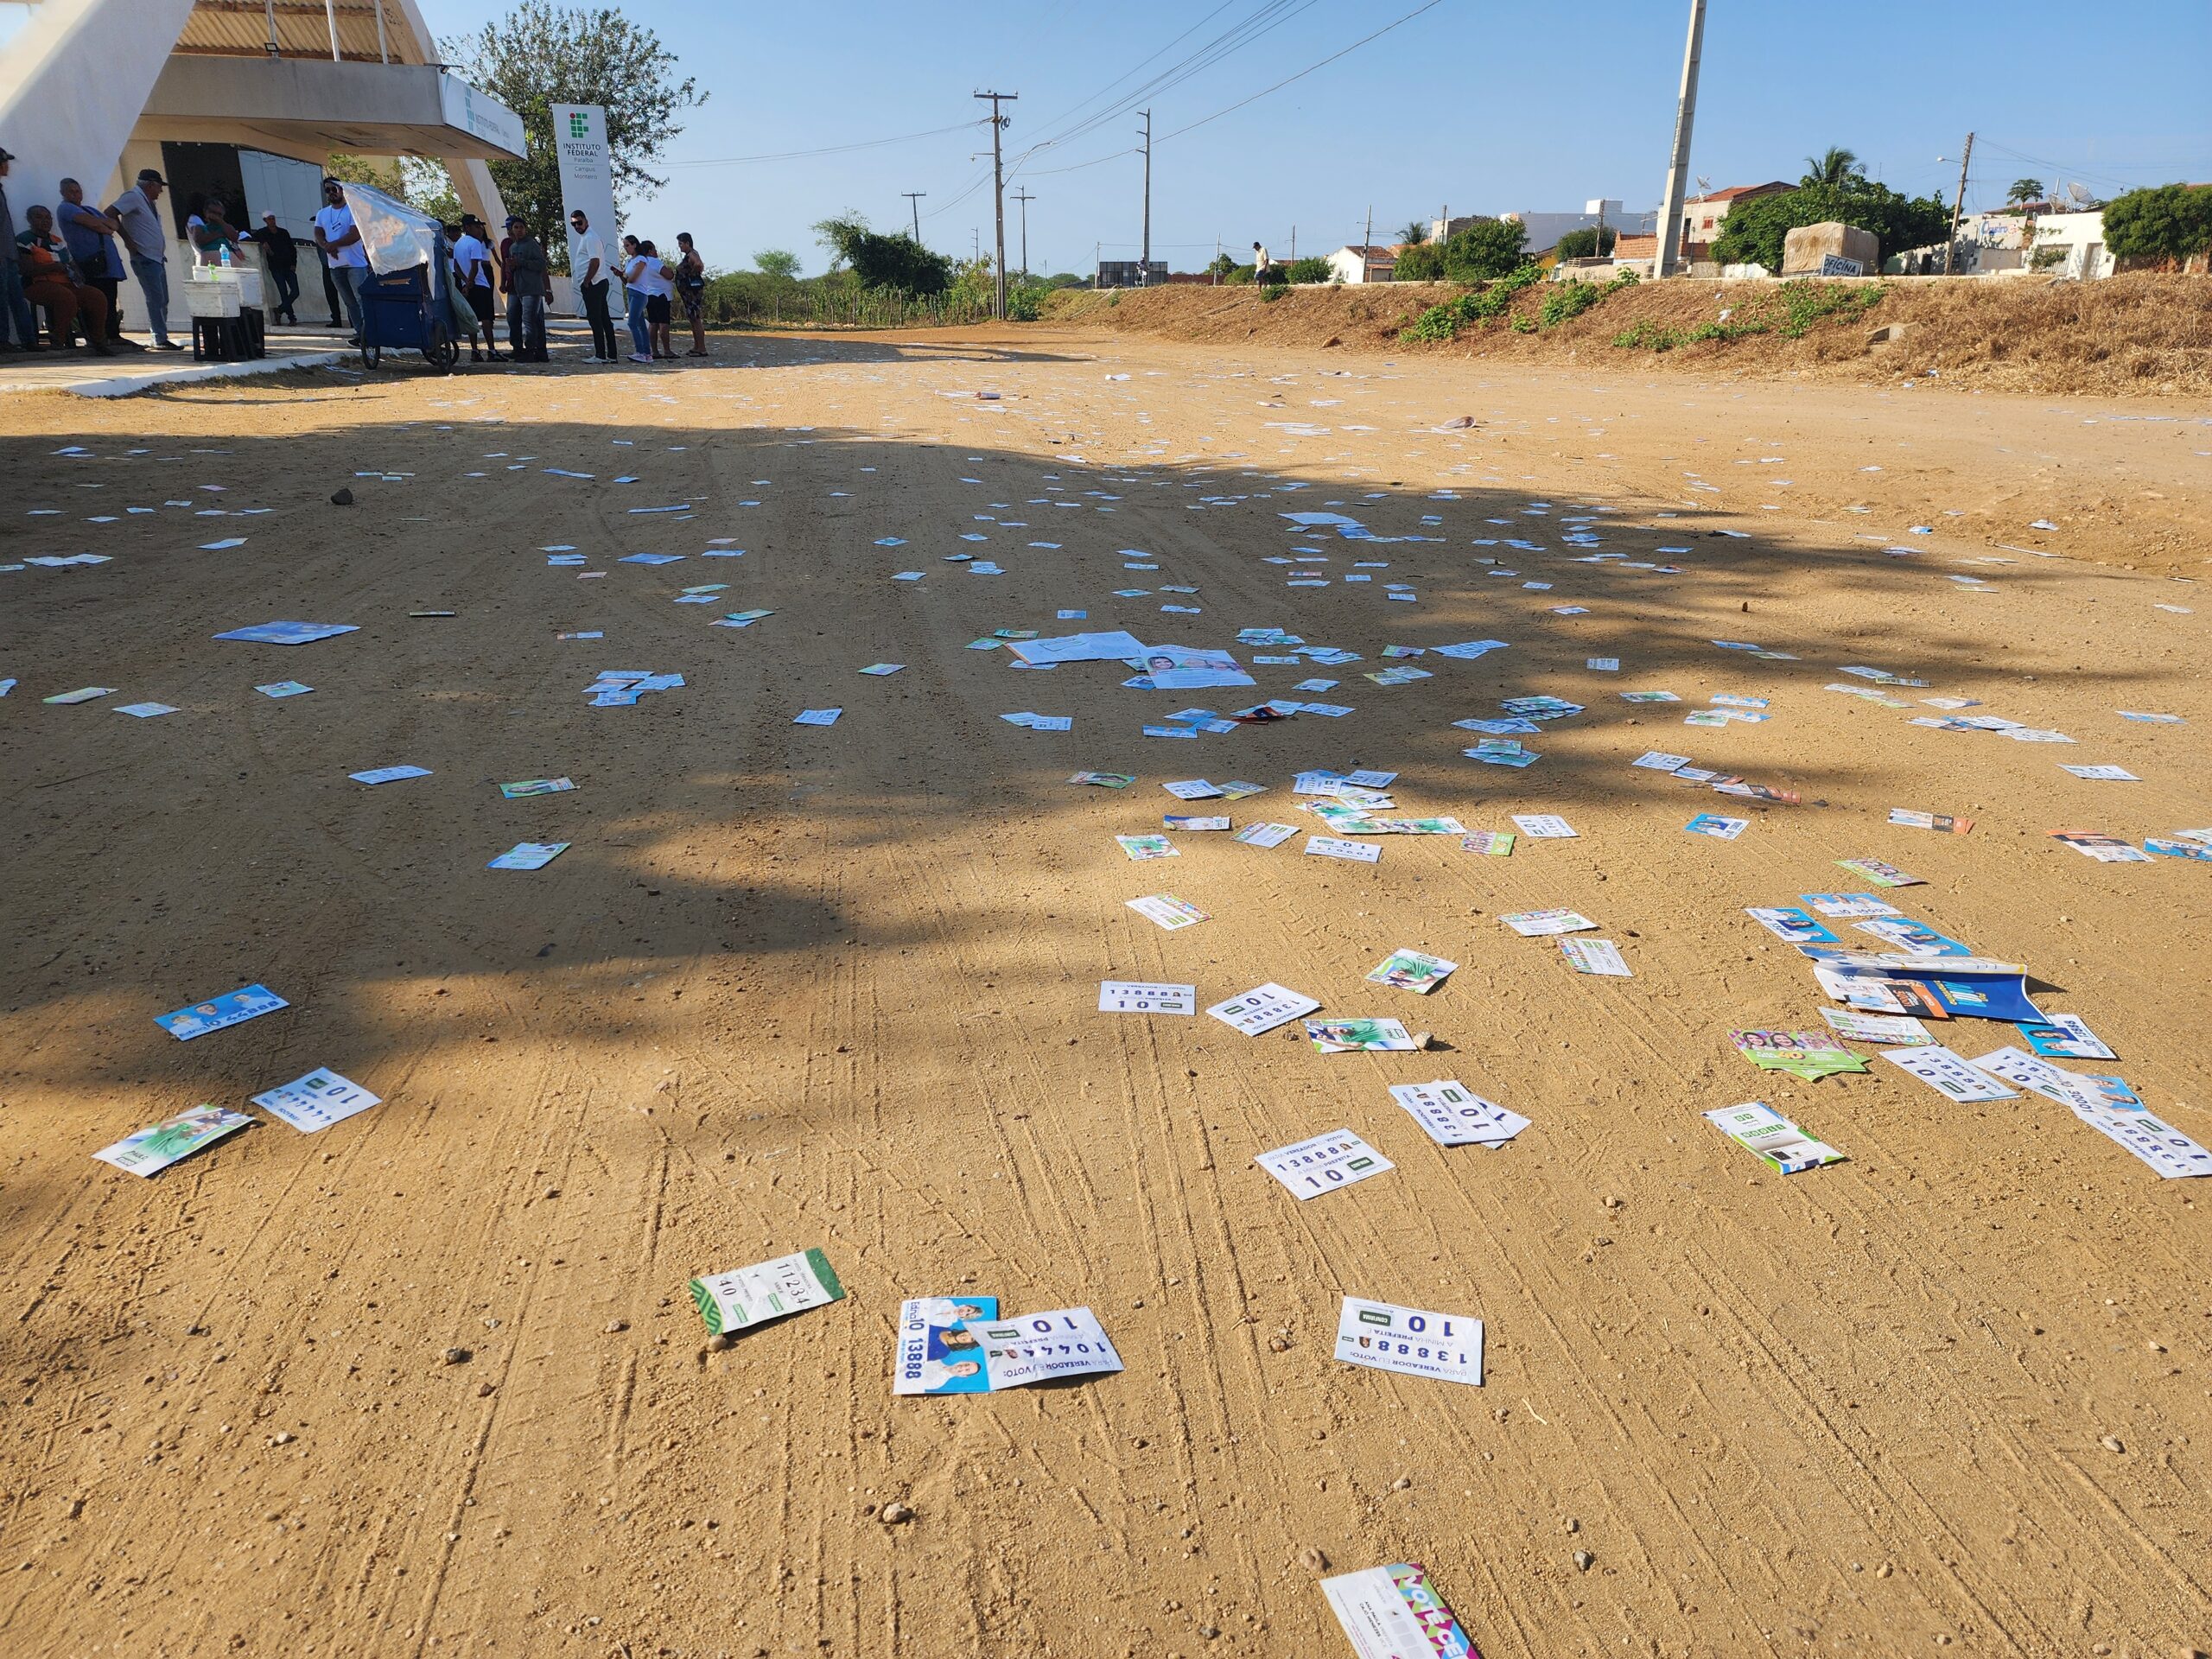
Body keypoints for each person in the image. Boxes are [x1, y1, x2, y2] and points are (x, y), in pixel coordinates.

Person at [16, 204, 116, 353]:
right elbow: (26, 270)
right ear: (29, 220)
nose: (45, 221)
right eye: (39, 217)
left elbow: (72, 264)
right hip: (37, 284)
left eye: (48, 217)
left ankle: (97, 341)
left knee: (96, 296)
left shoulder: (57, 241)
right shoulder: (24, 239)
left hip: (65, 283)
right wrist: (53, 267)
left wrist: (75, 274)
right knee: (65, 297)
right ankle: (58, 340)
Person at [106, 166, 181, 350]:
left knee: (162, 298)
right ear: (150, 185)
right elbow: (110, 213)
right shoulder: (133, 196)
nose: (160, 191)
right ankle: (159, 338)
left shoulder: (148, 202)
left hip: (156, 257)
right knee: (155, 298)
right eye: (159, 187)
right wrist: (127, 240)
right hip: (144, 256)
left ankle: (161, 336)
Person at [55, 178, 130, 349]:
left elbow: (114, 224)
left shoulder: (89, 209)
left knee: (110, 299)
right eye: (71, 191)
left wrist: (103, 225)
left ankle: (112, 335)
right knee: (95, 300)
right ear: (63, 193)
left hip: (108, 264)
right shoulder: (65, 208)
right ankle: (96, 337)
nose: (76, 194)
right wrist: (102, 226)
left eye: (78, 190)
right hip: (91, 263)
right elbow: (94, 224)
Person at [312, 177, 367, 343]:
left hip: (355, 264)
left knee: (361, 299)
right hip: (335, 265)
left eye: (333, 189)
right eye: (327, 190)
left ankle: (369, 331)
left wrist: (332, 245)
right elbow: (318, 233)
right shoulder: (323, 213)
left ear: (342, 190)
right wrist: (326, 245)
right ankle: (360, 333)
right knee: (349, 301)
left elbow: (354, 235)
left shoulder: (352, 211)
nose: (331, 193)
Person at [0, 145, 43, 351]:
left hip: (8, 254)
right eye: (5, 162)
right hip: (2, 254)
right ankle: (3, 340)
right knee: (2, 299)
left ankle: (29, 339)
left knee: (16, 298)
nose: (7, 166)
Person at [452, 213, 500, 359]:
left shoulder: (458, 243)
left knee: (472, 318)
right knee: (486, 319)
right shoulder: (474, 243)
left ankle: (475, 350)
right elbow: (475, 266)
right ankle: (491, 351)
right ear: (467, 227)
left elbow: (456, 267)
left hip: (466, 285)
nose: (480, 230)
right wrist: (471, 281)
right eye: (476, 227)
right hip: (480, 284)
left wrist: (466, 282)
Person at [569, 208, 615, 361]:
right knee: (604, 319)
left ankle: (600, 354)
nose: (577, 227)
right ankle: (611, 354)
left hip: (594, 283)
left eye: (579, 223)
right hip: (598, 282)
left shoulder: (590, 238)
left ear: (586, 221)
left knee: (596, 320)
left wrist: (587, 280)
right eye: (573, 224)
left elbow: (595, 261)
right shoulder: (588, 237)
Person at [504, 216, 550, 361]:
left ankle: (532, 351)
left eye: (521, 227)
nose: (519, 230)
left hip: (532, 288)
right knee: (514, 317)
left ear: (525, 229)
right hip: (519, 288)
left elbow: (541, 264)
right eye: (516, 227)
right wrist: (511, 267)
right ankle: (520, 349)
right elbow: (512, 267)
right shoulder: (512, 247)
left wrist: (521, 262)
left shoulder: (531, 244)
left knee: (529, 320)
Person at [246, 211, 299, 324]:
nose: (272, 221)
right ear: (265, 221)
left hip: (288, 266)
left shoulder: (283, 232)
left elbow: (292, 249)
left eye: (273, 218)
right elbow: (253, 237)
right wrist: (264, 244)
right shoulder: (263, 233)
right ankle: (291, 317)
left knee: (295, 291)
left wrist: (294, 263)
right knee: (283, 292)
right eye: (269, 219)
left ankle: (279, 310)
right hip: (276, 267)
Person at [638, 238, 675, 359]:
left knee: (653, 323)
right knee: (663, 324)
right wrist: (671, 272)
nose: (656, 252)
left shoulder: (641, 263)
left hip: (649, 295)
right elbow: (668, 275)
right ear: (649, 251)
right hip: (661, 296)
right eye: (654, 249)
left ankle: (654, 351)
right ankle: (667, 350)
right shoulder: (655, 262)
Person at [674, 230, 707, 357]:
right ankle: (697, 346)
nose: (679, 246)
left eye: (681, 243)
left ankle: (702, 348)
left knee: (696, 318)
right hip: (688, 294)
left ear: (688, 243)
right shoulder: (689, 254)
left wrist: (692, 274)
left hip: (692, 293)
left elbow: (699, 264)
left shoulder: (692, 254)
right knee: (692, 319)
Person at [620, 234, 652, 363]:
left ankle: (640, 352)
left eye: (628, 245)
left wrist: (625, 276)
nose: (626, 248)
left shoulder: (641, 260)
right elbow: (626, 281)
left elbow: (633, 279)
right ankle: (647, 353)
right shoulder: (629, 261)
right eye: (624, 246)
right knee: (641, 324)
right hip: (631, 291)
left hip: (639, 293)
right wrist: (620, 275)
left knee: (632, 322)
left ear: (634, 245)